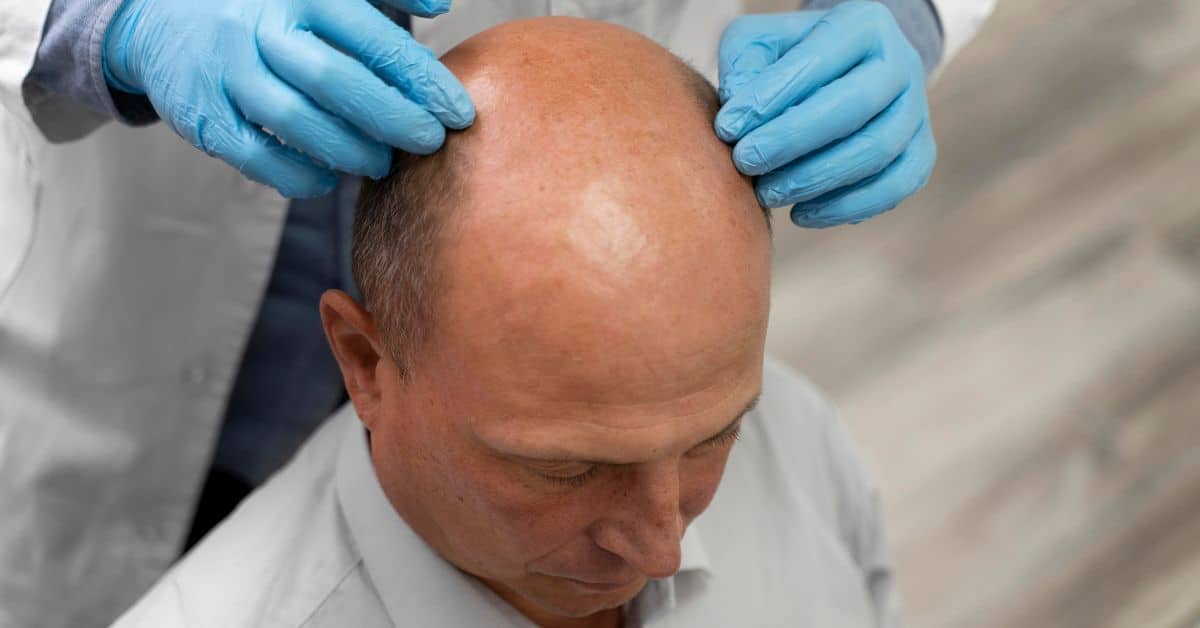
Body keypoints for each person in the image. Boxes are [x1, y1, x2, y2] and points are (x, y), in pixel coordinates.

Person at [0, 1, 993, 626]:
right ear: (358, 355)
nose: (662, 545)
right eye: (566, 467)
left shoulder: (798, 450)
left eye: (710, 440)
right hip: (131, 268)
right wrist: (104, 19)